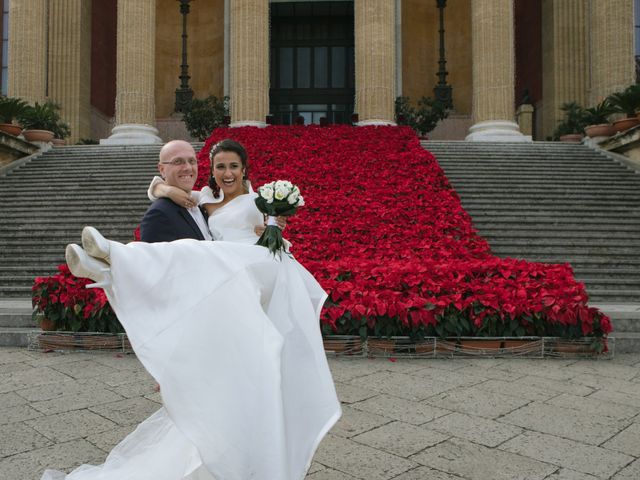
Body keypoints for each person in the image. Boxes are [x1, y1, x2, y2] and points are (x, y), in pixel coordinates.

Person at [43, 140, 341, 480]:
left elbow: (278, 241)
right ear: (212, 172)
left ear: (245, 170)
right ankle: (109, 268)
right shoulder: (205, 201)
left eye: (233, 167)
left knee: (195, 254)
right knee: (235, 385)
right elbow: (157, 187)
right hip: (226, 297)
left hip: (255, 272)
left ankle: (115, 262)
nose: (227, 173)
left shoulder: (259, 202)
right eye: (220, 167)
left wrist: (275, 228)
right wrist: (165, 188)